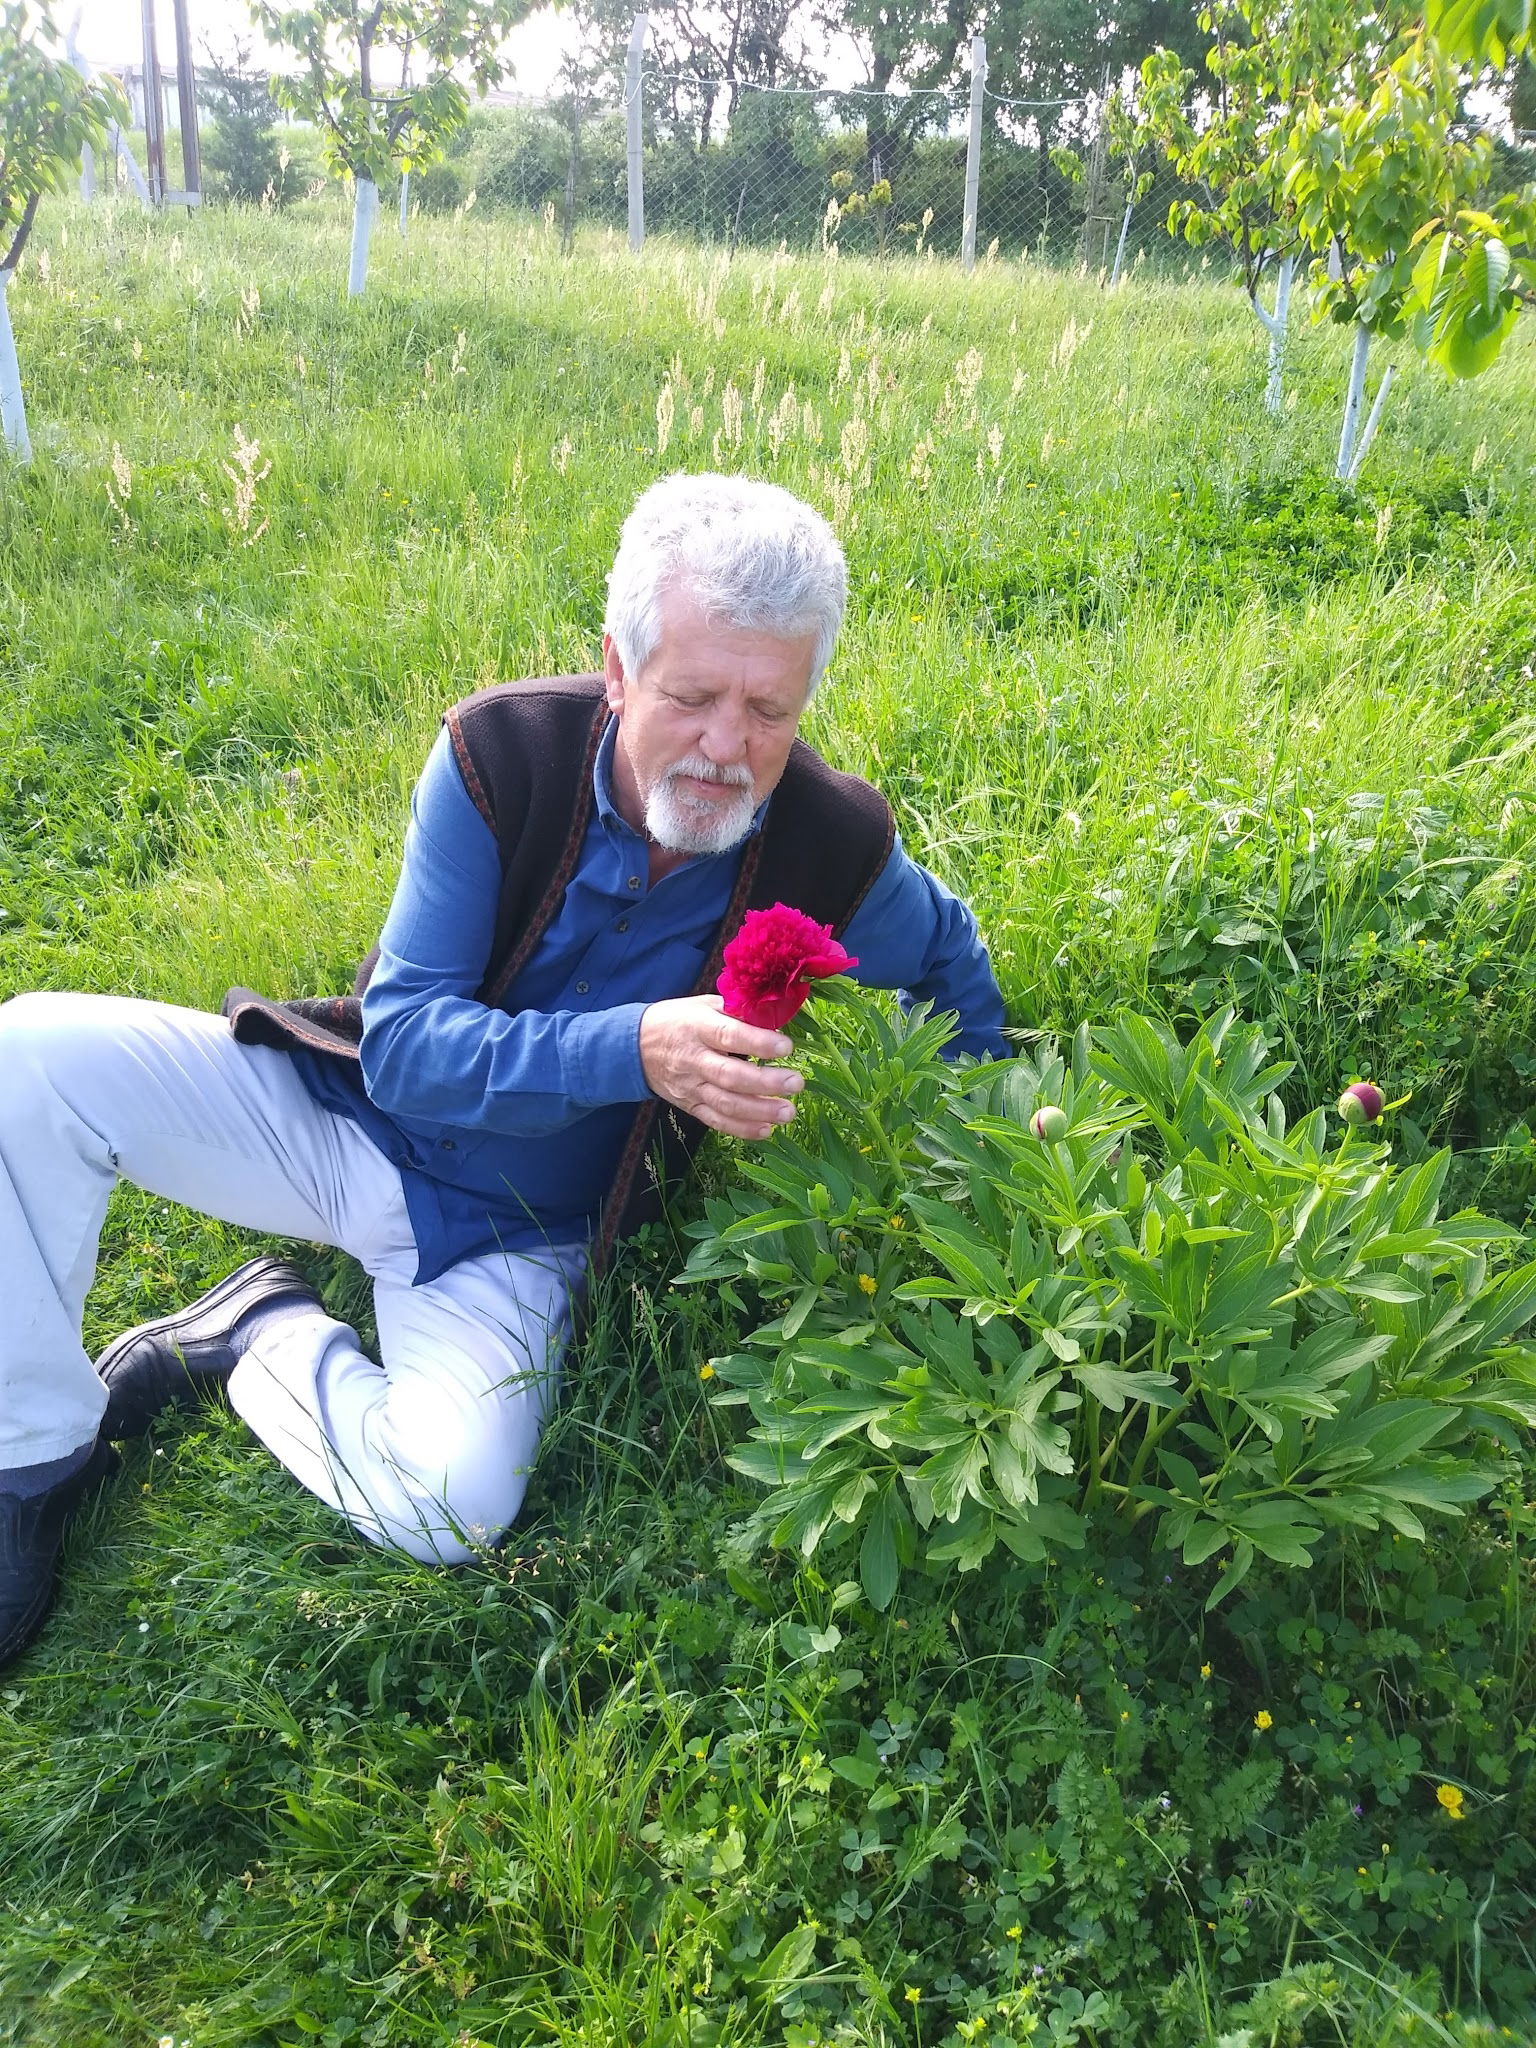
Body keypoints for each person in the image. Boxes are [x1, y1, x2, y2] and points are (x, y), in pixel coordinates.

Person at [0, 472, 1008, 1672]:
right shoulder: (502, 752)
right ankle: (34, 1452)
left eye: (771, 710)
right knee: (29, 1056)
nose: (729, 748)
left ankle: (255, 1331)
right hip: (347, 1122)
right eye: (692, 696)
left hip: (518, 1236)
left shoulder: (824, 836)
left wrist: (998, 1134)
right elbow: (408, 1046)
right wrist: (635, 1045)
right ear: (620, 667)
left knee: (453, 1506)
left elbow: (945, 955)